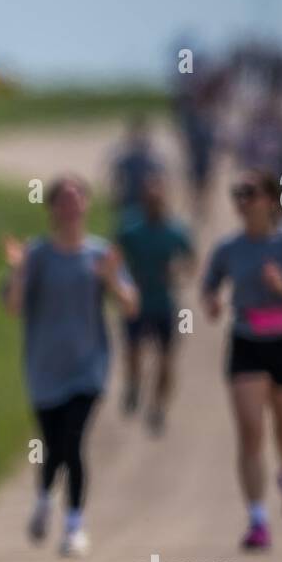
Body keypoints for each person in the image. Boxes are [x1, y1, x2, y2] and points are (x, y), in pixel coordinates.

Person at [1, 176, 138, 556]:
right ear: (52, 208)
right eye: (63, 199)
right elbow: (12, 307)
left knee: (74, 443)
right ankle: (44, 499)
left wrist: (112, 279)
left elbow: (130, 305)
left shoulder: (99, 255)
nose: (71, 205)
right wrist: (19, 270)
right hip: (44, 367)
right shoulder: (37, 255)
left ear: (87, 205)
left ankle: (75, 526)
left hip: (88, 367)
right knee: (54, 445)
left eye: (77, 198)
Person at [202, 168, 282, 550]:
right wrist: (210, 302)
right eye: (238, 193)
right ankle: (257, 519)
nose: (243, 201)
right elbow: (210, 285)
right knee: (249, 430)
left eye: (251, 193)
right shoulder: (228, 248)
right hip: (247, 343)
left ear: (271, 200)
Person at [118, 169, 195, 435]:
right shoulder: (129, 227)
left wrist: (180, 273)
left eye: (157, 199)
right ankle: (134, 384)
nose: (153, 204)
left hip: (164, 303)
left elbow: (190, 261)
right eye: (148, 199)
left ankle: (159, 407)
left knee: (165, 360)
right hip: (136, 302)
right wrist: (122, 281)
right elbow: (114, 257)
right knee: (133, 352)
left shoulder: (176, 230)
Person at [110, 115, 163, 227]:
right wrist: (116, 197)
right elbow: (117, 178)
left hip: (147, 203)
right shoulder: (125, 157)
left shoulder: (152, 158)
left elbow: (159, 180)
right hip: (128, 199)